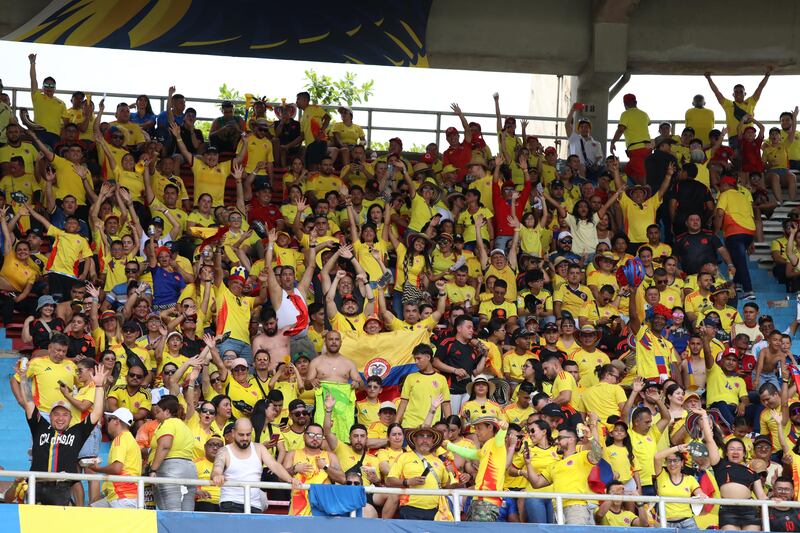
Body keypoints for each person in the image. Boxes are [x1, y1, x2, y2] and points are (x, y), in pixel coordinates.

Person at [10, 359, 108, 505]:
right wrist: (23, 378)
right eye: (56, 414)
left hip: (61, 490)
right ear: (49, 417)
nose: (60, 418)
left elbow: (96, 413)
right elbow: (29, 401)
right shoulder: (40, 427)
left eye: (65, 415)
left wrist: (99, 386)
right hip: (37, 486)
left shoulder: (77, 432)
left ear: (70, 418)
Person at [211, 418, 298, 513]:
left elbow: (274, 465)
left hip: (254, 504)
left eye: (248, 435)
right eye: (241, 434)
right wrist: (217, 476)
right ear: (233, 432)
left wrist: (289, 479)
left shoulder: (259, 448)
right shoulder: (224, 451)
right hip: (230, 503)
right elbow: (216, 470)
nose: (245, 438)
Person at [386, 426, 453, 520]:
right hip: (410, 509)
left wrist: (457, 477)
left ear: (433, 440)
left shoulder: (439, 462)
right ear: (415, 439)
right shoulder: (404, 457)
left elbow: (446, 485)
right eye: (421, 436)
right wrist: (407, 482)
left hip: (435, 511)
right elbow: (389, 481)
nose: (425, 440)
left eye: (429, 436)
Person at [284, 422, 346, 516]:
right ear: (304, 436)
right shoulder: (292, 454)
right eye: (311, 434)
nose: (315, 438)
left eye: (319, 435)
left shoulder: (330, 456)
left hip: (323, 507)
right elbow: (281, 477)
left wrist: (325, 467)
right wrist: (295, 469)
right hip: (298, 508)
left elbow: (342, 479)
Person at [148, 395, 197, 511]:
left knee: (171, 514)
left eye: (158, 412)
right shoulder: (184, 426)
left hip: (171, 470)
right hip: (190, 470)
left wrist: (153, 469)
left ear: (167, 412)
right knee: (186, 515)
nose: (156, 415)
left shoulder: (168, 423)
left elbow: (165, 446)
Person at [87, 407, 141, 508]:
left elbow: (116, 468)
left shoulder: (120, 440)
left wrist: (97, 469)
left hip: (122, 497)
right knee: (92, 509)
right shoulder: (130, 439)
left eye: (109, 419)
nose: (107, 423)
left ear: (116, 421)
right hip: (127, 496)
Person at [706, 67, 772, 149]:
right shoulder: (728, 104)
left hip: (749, 136)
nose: (738, 93)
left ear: (745, 93)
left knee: (749, 160)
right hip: (734, 137)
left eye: (741, 91)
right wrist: (709, 78)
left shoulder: (751, 102)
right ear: (733, 94)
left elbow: (760, 87)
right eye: (736, 92)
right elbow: (716, 92)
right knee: (736, 160)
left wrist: (767, 75)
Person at [715, 175, 756, 300]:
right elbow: (752, 217)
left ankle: (748, 290)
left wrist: (716, 232)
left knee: (740, 261)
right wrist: (751, 241)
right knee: (736, 257)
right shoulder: (744, 197)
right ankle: (737, 284)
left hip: (735, 230)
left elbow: (720, 213)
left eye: (721, 185)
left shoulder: (725, 194)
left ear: (727, 185)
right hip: (749, 231)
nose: (720, 188)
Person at [610, 94, 651, 184]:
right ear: (636, 102)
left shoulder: (625, 114)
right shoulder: (644, 114)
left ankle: (644, 192)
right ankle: (635, 189)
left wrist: (613, 142)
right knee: (628, 171)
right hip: (648, 147)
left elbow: (621, 129)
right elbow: (648, 123)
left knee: (641, 174)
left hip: (636, 148)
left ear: (625, 104)